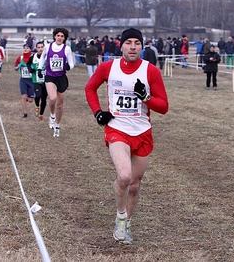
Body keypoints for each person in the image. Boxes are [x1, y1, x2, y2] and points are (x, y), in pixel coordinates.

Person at [84, 27, 169, 245]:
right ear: (120, 45)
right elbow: (90, 88)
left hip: (142, 132)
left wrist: (146, 97)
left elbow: (164, 107)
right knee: (124, 176)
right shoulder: (107, 68)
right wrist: (98, 112)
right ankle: (120, 218)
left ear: (142, 46)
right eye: (128, 42)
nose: (132, 47)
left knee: (134, 185)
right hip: (117, 129)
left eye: (137, 43)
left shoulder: (151, 71)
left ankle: (127, 224)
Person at [38, 27, 74, 137]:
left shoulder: (67, 49)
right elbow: (43, 58)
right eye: (58, 35)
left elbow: (71, 64)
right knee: (52, 99)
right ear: (54, 36)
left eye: (62, 36)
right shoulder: (48, 47)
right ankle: (52, 115)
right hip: (50, 77)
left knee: (60, 105)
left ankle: (57, 126)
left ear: (64, 38)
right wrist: (40, 69)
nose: (59, 38)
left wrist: (68, 66)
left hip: (61, 78)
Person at [27, 41, 47, 120]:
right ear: (36, 48)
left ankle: (41, 114)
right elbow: (28, 64)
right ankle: (37, 106)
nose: (40, 49)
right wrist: (30, 69)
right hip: (36, 80)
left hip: (46, 81)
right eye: (38, 47)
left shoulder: (47, 57)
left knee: (44, 98)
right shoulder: (33, 57)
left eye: (42, 47)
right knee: (38, 95)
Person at [14, 43, 34, 118]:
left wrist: (32, 67)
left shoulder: (33, 57)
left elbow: (37, 66)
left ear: (30, 49)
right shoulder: (20, 58)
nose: (25, 49)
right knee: (23, 96)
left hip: (32, 80)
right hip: (23, 80)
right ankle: (25, 113)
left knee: (30, 100)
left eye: (27, 48)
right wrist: (17, 67)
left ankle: (31, 96)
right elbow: (15, 68)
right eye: (24, 48)